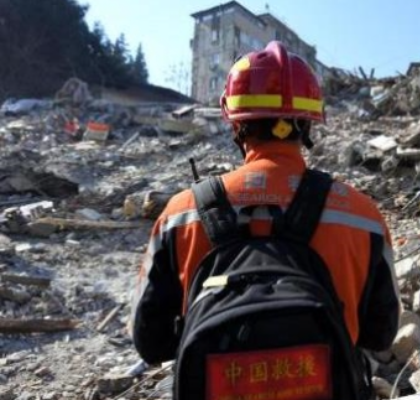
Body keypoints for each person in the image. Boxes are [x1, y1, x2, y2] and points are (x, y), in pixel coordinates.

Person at [130, 41, 399, 393]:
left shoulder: (179, 216)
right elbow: (380, 334)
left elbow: (151, 343)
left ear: (235, 123)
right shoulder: (362, 217)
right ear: (307, 123)